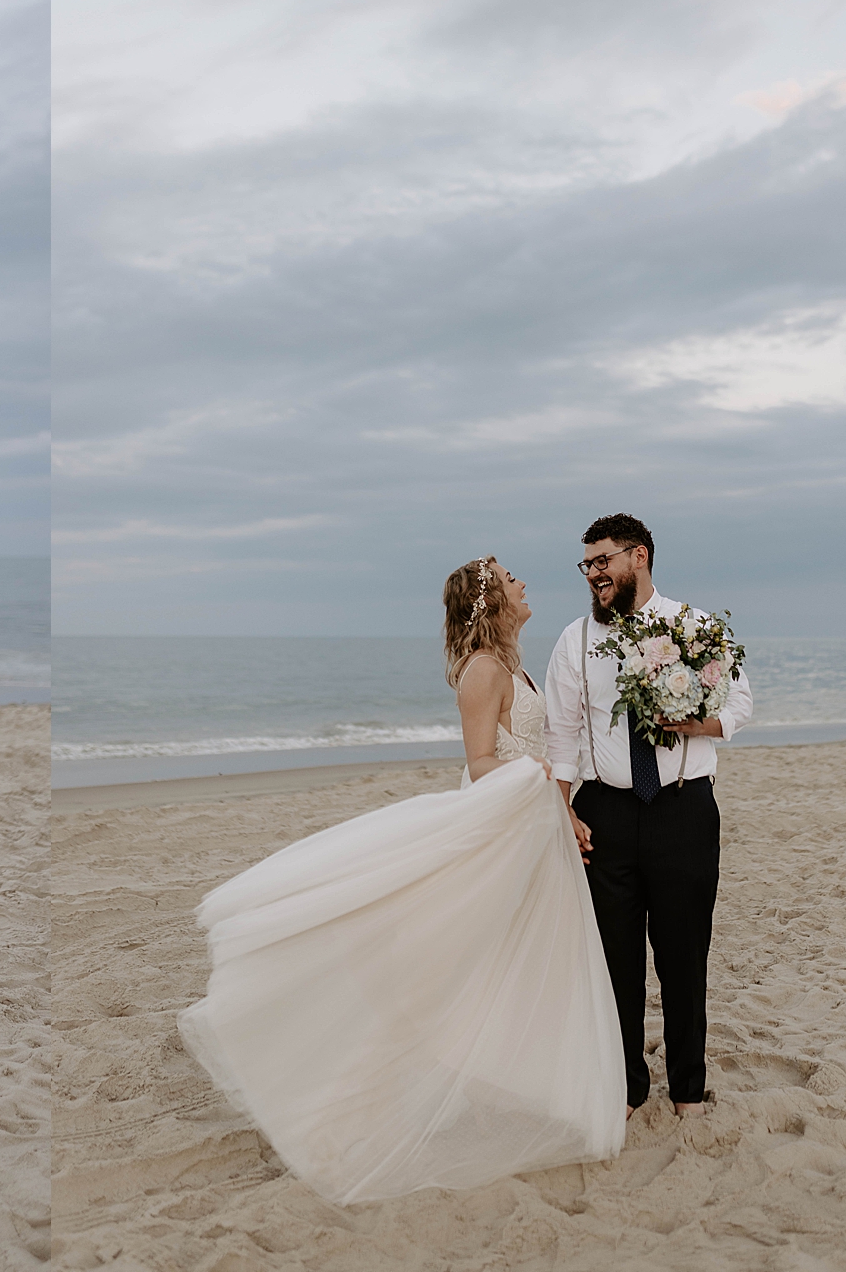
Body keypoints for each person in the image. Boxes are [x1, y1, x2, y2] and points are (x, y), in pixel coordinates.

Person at [176, 555, 622, 1204]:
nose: (523, 582)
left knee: (512, 965)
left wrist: (562, 806)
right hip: (496, 836)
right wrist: (551, 799)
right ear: (489, 600)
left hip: (530, 836)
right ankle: (346, 1104)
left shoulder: (516, 662)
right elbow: (480, 761)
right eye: (509, 577)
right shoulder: (484, 670)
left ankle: (525, 1082)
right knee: (441, 971)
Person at [544, 514, 753, 1121]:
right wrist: (562, 810)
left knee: (685, 956)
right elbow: (560, 738)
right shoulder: (574, 641)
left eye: (602, 561)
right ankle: (628, 1088)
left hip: (684, 808)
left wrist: (697, 722)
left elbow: (739, 703)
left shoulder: (695, 627)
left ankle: (688, 1090)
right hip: (605, 811)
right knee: (615, 963)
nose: (593, 575)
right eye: (586, 565)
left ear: (638, 556)